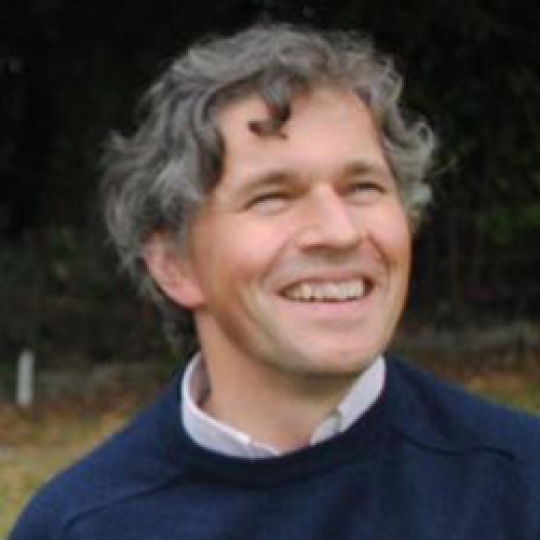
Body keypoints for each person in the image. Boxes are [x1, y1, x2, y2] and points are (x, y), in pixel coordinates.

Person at [9, 23, 540, 540]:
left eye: (362, 187)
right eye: (273, 197)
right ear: (174, 264)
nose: (338, 232)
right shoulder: (81, 525)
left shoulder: (520, 486)